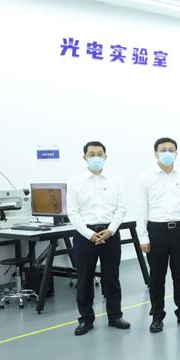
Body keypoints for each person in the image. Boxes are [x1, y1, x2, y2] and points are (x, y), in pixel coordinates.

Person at [67, 141, 130, 335]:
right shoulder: (75, 182)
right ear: (84, 157)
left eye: (99, 154)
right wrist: (90, 234)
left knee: (112, 277)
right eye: (91, 154)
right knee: (84, 279)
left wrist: (110, 230)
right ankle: (86, 319)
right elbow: (73, 213)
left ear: (105, 156)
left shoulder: (116, 181)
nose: (96, 157)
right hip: (85, 235)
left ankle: (115, 316)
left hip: (110, 234)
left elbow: (121, 208)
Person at [137, 137, 180, 333]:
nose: (167, 153)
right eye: (163, 149)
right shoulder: (146, 178)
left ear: (176, 153)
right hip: (156, 231)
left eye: (171, 150)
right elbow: (142, 208)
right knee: (157, 277)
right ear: (155, 153)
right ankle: (157, 315)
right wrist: (143, 237)